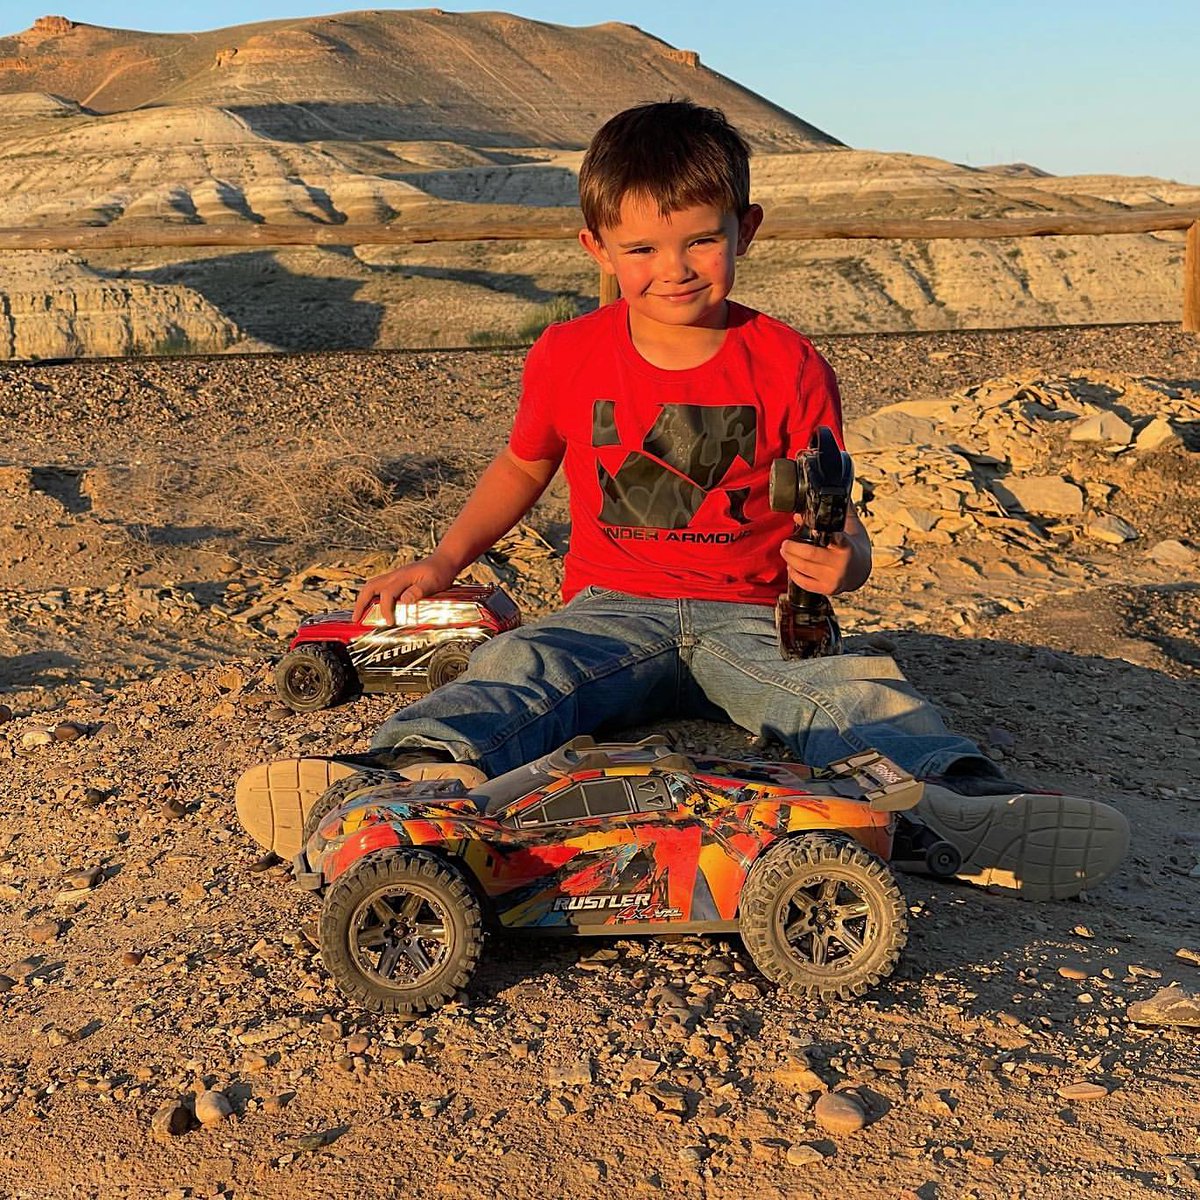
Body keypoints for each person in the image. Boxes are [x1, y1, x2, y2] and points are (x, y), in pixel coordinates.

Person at [235, 100, 1128, 900]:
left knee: (848, 691)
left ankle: (957, 804)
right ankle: (398, 779)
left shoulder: (790, 364)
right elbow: (520, 467)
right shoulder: (567, 355)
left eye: (702, 239)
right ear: (596, 248)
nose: (677, 268)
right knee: (523, 670)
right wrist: (441, 562)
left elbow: (835, 511)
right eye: (643, 249)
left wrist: (845, 562)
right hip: (610, 610)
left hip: (758, 617)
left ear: (747, 228)